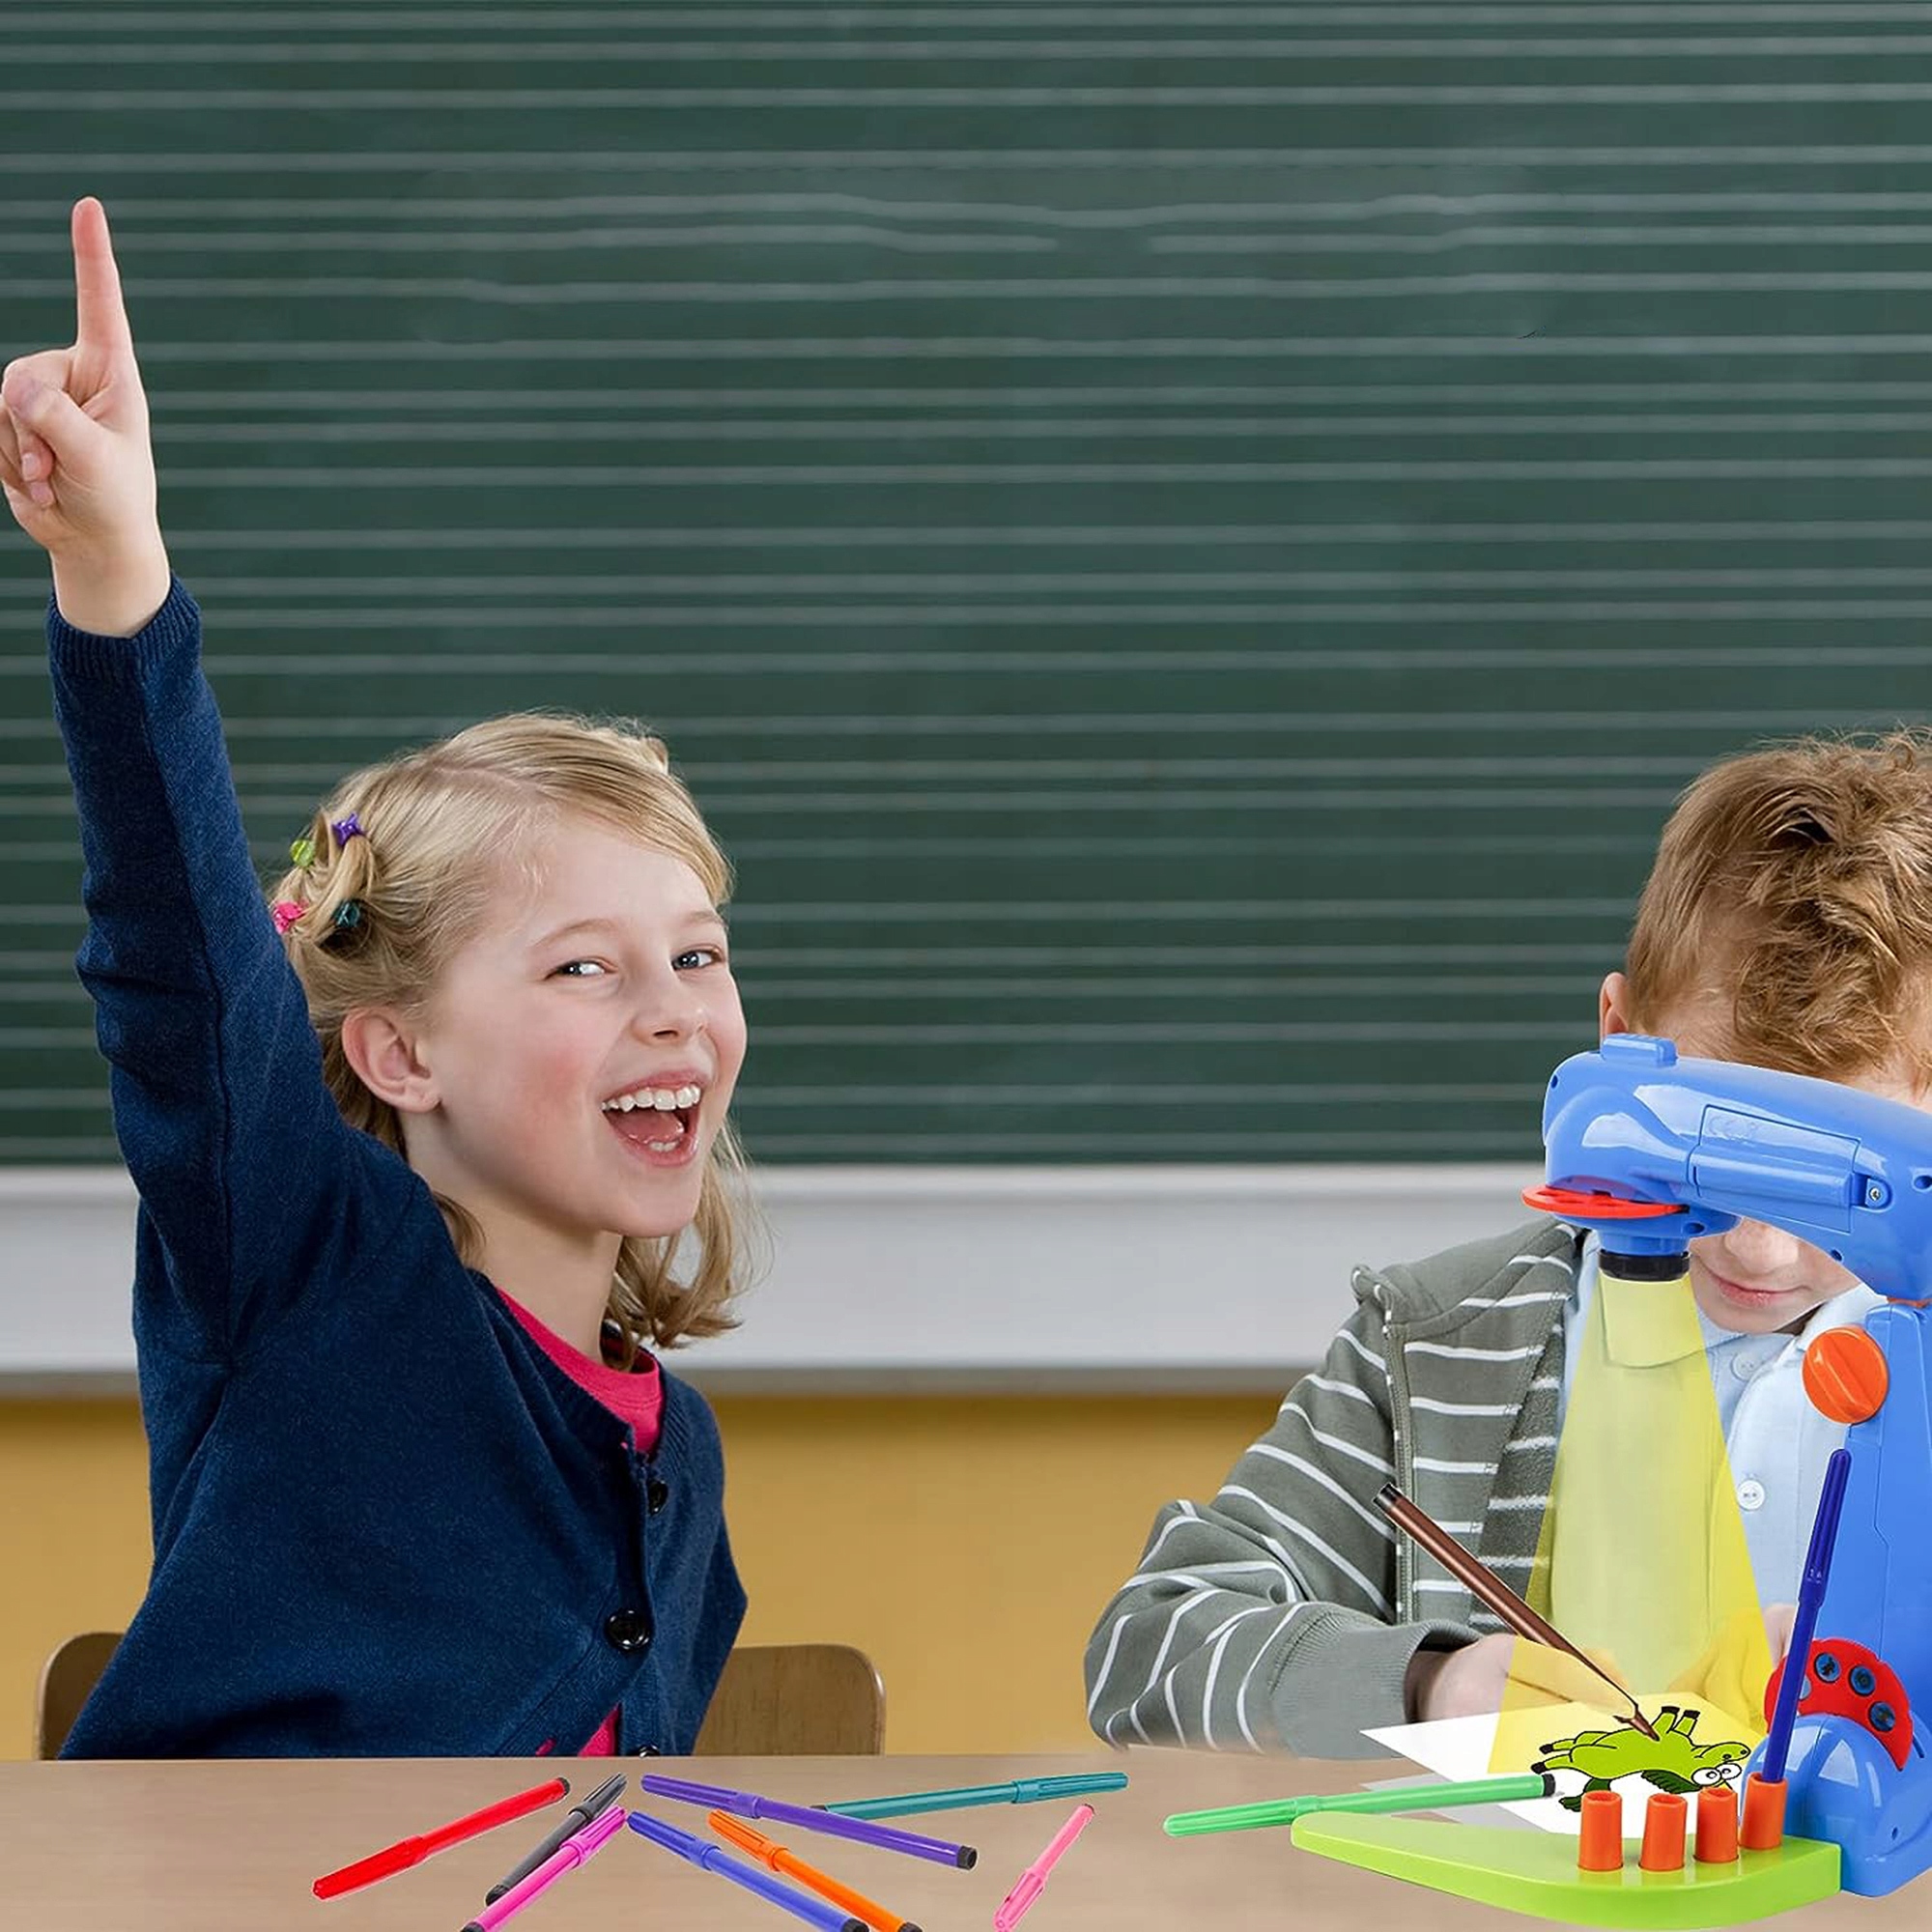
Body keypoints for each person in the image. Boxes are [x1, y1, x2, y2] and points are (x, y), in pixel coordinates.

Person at [2, 199, 753, 1755]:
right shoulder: (312, 1271)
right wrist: (116, 578)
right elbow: (187, 972)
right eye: (585, 968)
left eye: (695, 954)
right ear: (402, 1055)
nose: (674, 1007)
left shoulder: (672, 1452)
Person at [1084, 724, 1932, 1756]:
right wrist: (1435, 1683)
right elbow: (1148, 1648)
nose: (1757, 1249)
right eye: (1704, 1155)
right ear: (1617, 1037)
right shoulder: (1442, 1344)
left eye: (1831, 1183)